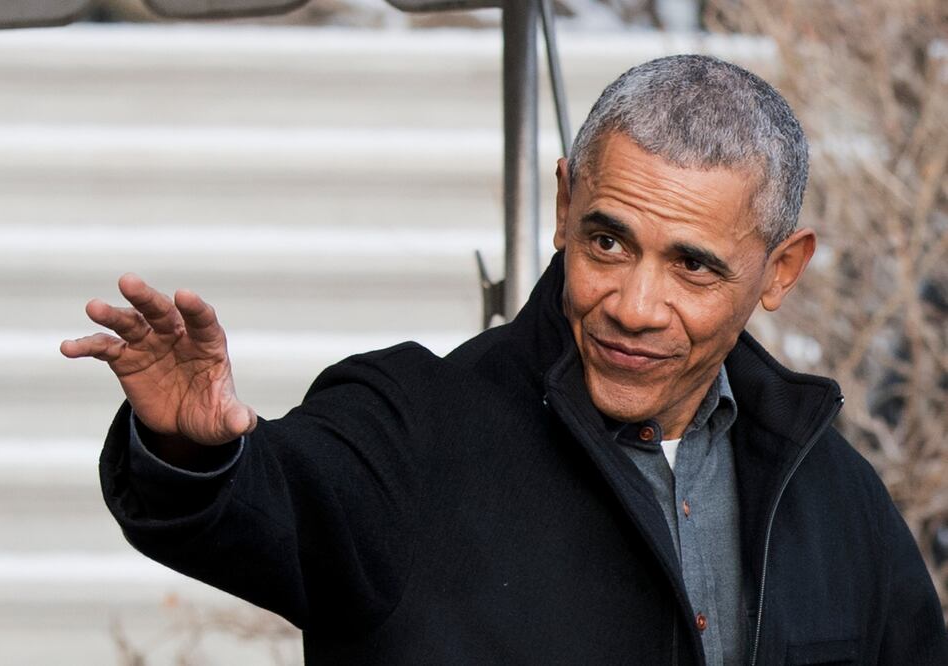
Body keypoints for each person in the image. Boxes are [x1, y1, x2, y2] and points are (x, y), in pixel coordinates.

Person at [62, 55, 947, 664]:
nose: (634, 306)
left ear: (780, 270)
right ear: (563, 206)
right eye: (607, 242)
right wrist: (195, 451)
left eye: (692, 266)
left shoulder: (832, 495)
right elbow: (270, 499)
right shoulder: (409, 423)